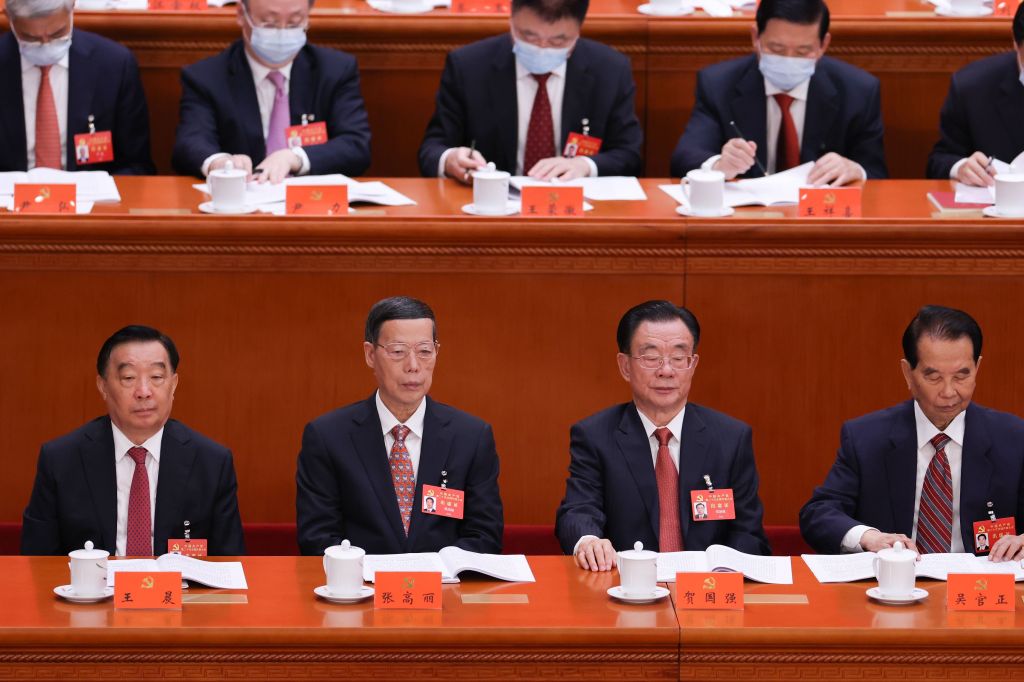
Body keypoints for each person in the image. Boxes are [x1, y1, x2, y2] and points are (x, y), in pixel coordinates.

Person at [555, 301, 770, 571]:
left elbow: (748, 534)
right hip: (626, 589)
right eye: (651, 357)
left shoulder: (730, 438)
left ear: (692, 365)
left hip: (706, 593)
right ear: (625, 366)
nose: (666, 370)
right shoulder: (595, 436)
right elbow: (579, 509)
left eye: (678, 358)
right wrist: (588, 541)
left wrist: (722, 574)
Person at [800, 306, 1024, 562]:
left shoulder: (1014, 438)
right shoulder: (867, 437)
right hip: (894, 587)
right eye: (934, 377)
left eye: (962, 375)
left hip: (979, 591)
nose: (949, 392)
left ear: (977, 368)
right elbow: (818, 513)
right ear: (908, 374)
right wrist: (870, 537)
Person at [296, 297, 503, 555]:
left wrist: (436, 572)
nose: (413, 366)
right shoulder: (328, 437)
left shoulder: (471, 437)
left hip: (444, 589)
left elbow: (484, 535)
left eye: (425, 351)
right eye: (398, 352)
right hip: (361, 591)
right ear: (370, 355)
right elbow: (317, 537)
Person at [21, 326, 245, 556]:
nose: (144, 391)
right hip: (93, 591)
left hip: (178, 592)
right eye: (128, 378)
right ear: (103, 386)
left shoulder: (212, 463)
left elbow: (228, 564)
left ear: (174, 384)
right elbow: (36, 562)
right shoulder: (61, 460)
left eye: (157, 377)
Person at [417, 0, 643, 183]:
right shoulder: (469, 66)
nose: (542, 48)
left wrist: (584, 165)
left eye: (558, 41)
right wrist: (450, 160)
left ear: (578, 32)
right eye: (529, 37)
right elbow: (432, 148)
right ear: (511, 22)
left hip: (575, 210)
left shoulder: (609, 70)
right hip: (493, 208)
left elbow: (629, 154)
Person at [670, 0, 886, 185]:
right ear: (756, 38)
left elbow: (877, 175)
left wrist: (855, 170)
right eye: (776, 49)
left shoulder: (858, 91)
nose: (789, 59)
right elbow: (685, 158)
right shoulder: (718, 84)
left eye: (803, 51)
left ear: (823, 44)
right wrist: (719, 165)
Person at [172, 0, 371, 183]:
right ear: (242, 14)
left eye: (294, 23)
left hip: (312, 207)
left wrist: (295, 158)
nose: (282, 33)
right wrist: (220, 162)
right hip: (240, 209)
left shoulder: (335, 70)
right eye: (268, 23)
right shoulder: (206, 77)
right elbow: (191, 142)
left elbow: (356, 145)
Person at [0, 0, 154, 174]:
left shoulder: (115, 65)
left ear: (72, 7)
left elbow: (137, 165)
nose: (46, 45)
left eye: (58, 34)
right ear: (9, 18)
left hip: (93, 197)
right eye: (30, 38)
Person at [926, 3, 1024, 186]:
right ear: (1015, 44)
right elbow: (938, 161)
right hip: (999, 208)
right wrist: (961, 167)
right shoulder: (972, 86)